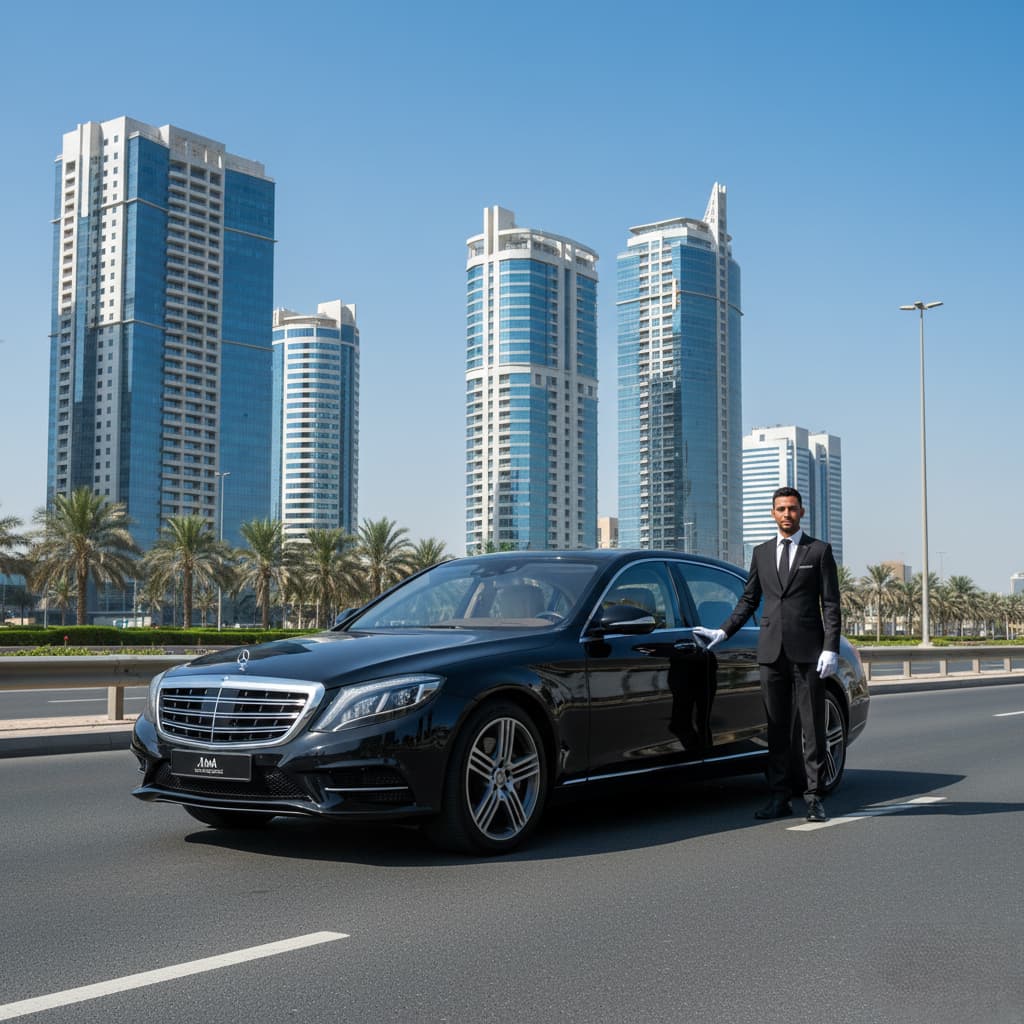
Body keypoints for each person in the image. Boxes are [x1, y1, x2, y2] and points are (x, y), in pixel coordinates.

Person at [694, 486, 841, 822]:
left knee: (812, 727)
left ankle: (814, 797)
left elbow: (830, 604)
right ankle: (779, 797)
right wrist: (723, 631)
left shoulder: (818, 551)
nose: (786, 514)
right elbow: (749, 600)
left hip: (808, 653)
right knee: (776, 727)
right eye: (780, 509)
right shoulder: (761, 553)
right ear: (772, 513)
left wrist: (830, 647)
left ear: (801, 512)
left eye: (791, 508)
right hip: (771, 652)